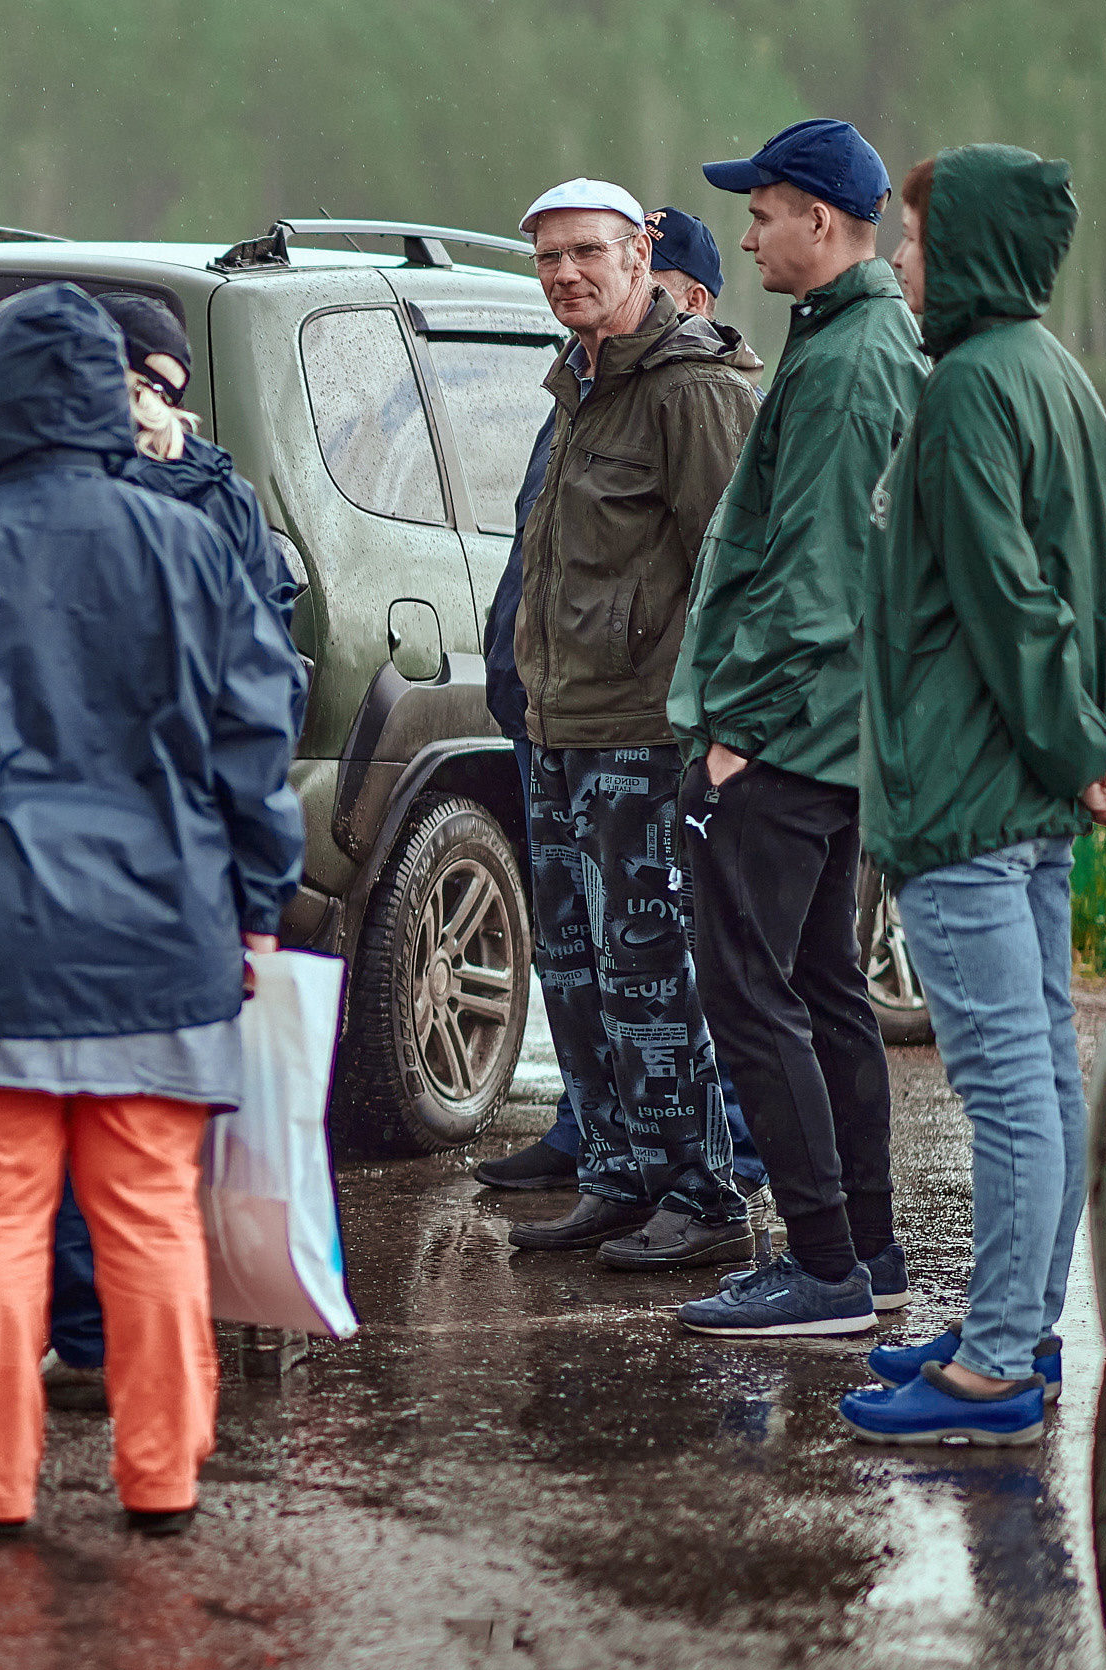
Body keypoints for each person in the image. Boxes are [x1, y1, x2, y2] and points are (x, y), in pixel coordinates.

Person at [0, 282, 303, 1536]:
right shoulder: (190, 543)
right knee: (147, 1219)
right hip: (161, 931)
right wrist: (256, 907)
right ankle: (162, 1472)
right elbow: (254, 745)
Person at [841, 146, 1106, 1445]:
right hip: (1024, 791)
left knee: (1008, 1082)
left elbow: (1009, 599)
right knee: (1042, 1069)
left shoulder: (970, 385)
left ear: (966, 245)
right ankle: (1015, 1326)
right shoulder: (1062, 380)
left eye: (915, 237)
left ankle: (991, 1369)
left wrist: (1076, 742)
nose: (902, 259)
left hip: (970, 795)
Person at [666, 120, 927, 1338]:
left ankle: (820, 1266)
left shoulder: (847, 360)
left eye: (763, 212)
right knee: (822, 988)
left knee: (748, 990)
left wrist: (737, 733)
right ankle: (865, 1255)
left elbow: (816, 581)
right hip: (832, 738)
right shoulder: (849, 337)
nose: (749, 233)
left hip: (789, 736)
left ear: (821, 222)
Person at [37, 290, 303, 1413]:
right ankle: (93, 1336)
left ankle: (151, 1327)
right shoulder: (39, 492)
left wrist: (254, 886)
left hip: (174, 847)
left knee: (149, 1113)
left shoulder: (220, 501)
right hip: (69, 849)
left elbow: (270, 687)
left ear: (166, 383)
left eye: (138, 379)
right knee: (70, 1109)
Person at [474, 203, 763, 1197]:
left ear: (641, 260)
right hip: (555, 729)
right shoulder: (578, 385)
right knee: (576, 972)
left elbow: (738, 572)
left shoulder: (690, 389)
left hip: (643, 737)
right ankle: (615, 1179)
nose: (564, 272)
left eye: (587, 252)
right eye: (548, 256)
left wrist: (727, 729)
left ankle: (697, 1194)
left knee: (651, 984)